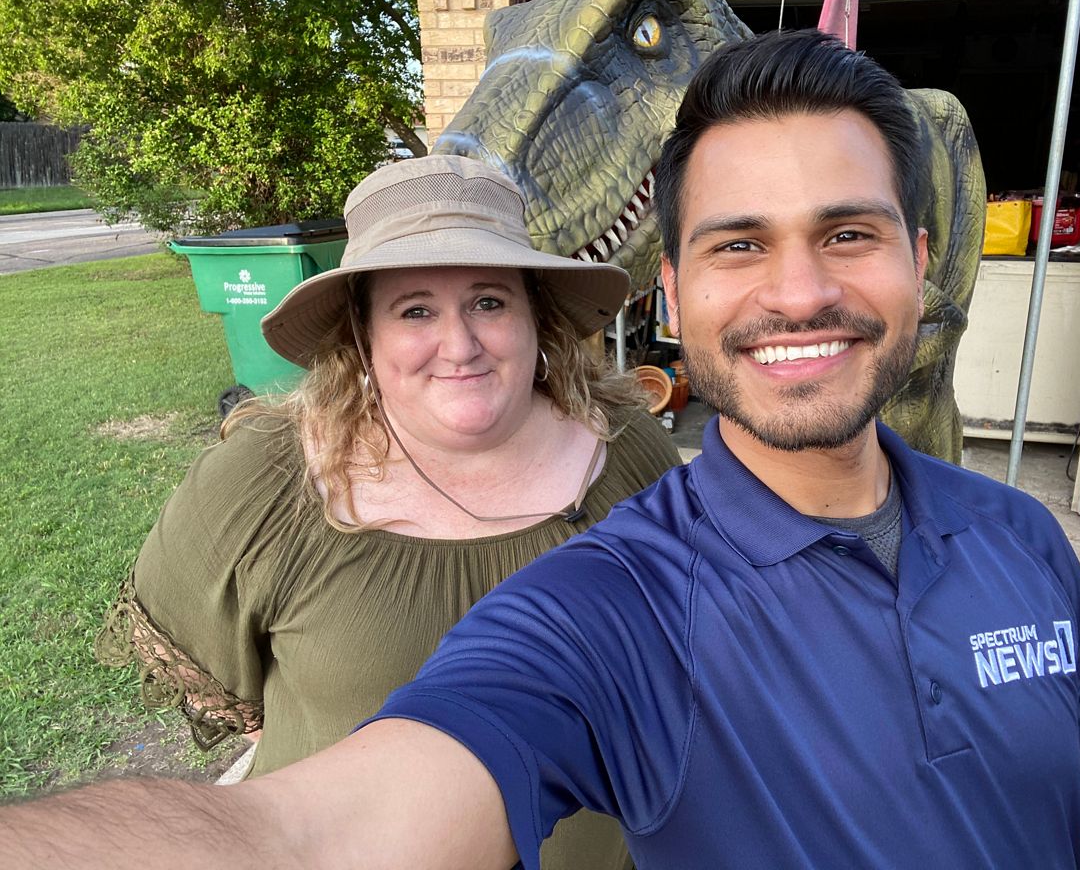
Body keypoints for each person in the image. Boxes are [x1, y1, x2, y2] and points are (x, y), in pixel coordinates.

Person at [1, 32, 1080, 870]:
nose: (799, 290)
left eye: (847, 234)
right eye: (738, 245)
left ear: (919, 258)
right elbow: (305, 833)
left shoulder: (1020, 540)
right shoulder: (612, 601)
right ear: (676, 289)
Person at [90, 154, 681, 869]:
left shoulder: (627, 446)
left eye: (489, 301)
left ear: (535, 316)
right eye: (416, 310)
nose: (459, 345)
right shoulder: (262, 482)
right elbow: (227, 700)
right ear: (362, 334)